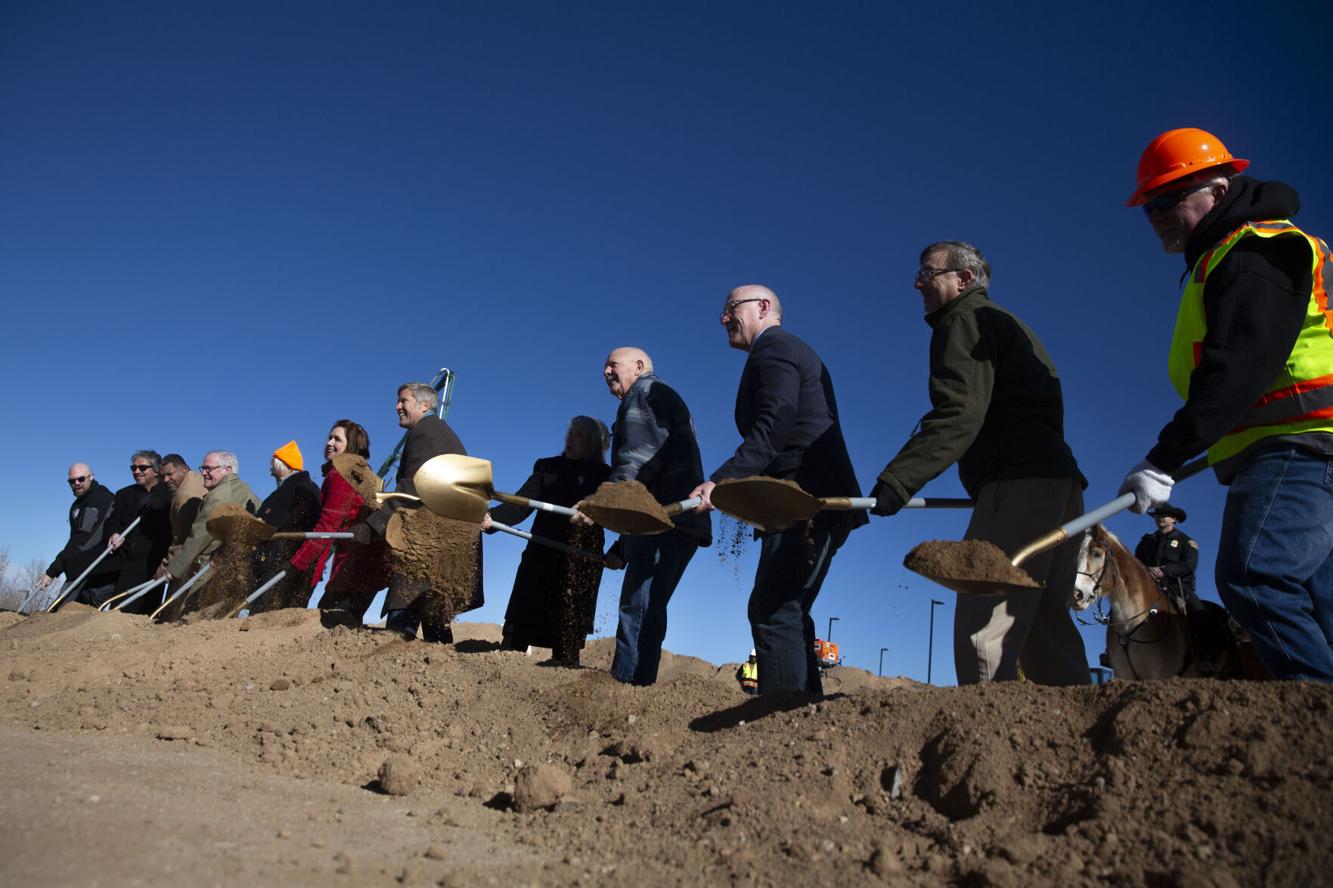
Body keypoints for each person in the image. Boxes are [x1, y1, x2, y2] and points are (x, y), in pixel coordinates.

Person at [1119, 127, 1333, 682]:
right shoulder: (1228, 255)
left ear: (1216, 190)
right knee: (1319, 595)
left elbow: (1238, 365)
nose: (1158, 217)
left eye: (1166, 200)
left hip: (1295, 443)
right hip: (1305, 445)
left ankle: (1313, 721)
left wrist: (1164, 458)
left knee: (1255, 576)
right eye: (1149, 209)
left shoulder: (1251, 251)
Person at [870, 243, 1089, 686]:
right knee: (1045, 624)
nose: (917, 283)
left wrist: (897, 481)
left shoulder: (964, 320)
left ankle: (984, 750)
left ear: (963, 280)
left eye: (926, 273)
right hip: (1058, 485)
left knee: (984, 624)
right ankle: (1080, 746)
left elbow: (959, 413)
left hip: (1018, 483)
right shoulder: (1008, 324)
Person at [691, 286, 864, 696]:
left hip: (803, 500)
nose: (723, 319)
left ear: (763, 308)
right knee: (789, 607)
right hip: (810, 500)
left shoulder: (774, 348)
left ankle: (780, 717)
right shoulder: (782, 351)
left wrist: (722, 482)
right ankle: (802, 719)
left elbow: (775, 424)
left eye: (731, 308)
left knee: (772, 608)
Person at [588, 347, 711, 685]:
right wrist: (624, 548)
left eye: (613, 364)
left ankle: (627, 689)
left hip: (665, 520)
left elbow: (635, 464)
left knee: (637, 608)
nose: (606, 372)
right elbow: (654, 474)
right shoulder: (660, 397)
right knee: (648, 604)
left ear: (638, 367)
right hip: (676, 519)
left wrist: (600, 505)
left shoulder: (642, 393)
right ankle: (638, 682)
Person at [353, 382, 482, 642]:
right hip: (446, 544)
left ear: (424, 405)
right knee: (435, 617)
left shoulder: (427, 433)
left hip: (426, 544)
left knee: (402, 622)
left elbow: (412, 486)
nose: (397, 406)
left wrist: (371, 525)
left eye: (403, 401)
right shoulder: (439, 432)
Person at [486, 416, 612, 665]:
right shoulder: (547, 467)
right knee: (521, 617)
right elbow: (521, 504)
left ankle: (565, 663)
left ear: (594, 444)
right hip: (541, 553)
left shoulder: (607, 477)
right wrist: (491, 518)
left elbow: (613, 515)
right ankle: (508, 658)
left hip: (581, 559)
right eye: (570, 433)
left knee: (569, 625)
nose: (570, 439)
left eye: (579, 435)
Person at [289, 420, 389, 620]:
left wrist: (297, 564)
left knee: (330, 616)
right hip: (368, 564)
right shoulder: (363, 472)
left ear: (351, 444)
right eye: (329, 437)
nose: (329, 443)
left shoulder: (342, 473)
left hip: (355, 565)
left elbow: (328, 525)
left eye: (337, 439)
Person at [164, 451, 260, 586]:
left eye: (209, 468)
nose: (203, 473)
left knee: (191, 605)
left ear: (228, 469)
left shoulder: (219, 496)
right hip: (236, 565)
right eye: (202, 468)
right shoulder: (244, 488)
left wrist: (175, 569)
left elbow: (199, 534)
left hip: (213, 567)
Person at [250, 440, 322, 611]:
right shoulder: (308, 487)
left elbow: (270, 523)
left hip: (282, 563)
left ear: (283, 467)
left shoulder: (292, 490)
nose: (271, 474)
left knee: (266, 612)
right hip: (295, 562)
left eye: (273, 470)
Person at [40, 463, 119, 607]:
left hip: (98, 573)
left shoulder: (102, 499)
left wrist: (54, 570)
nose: (76, 483)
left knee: (70, 617)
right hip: (78, 571)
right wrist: (53, 571)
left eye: (81, 479)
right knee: (58, 616)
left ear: (91, 477)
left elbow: (85, 541)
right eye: (72, 481)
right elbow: (74, 540)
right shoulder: (77, 506)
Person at [105, 450, 172, 613]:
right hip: (127, 560)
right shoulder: (124, 494)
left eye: (142, 468)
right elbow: (112, 521)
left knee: (146, 608)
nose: (137, 472)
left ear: (156, 470)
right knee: (120, 607)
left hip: (153, 561)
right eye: (133, 468)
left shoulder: (168, 492)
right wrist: (113, 533)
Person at [157, 454, 207, 585]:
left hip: (191, 561)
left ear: (184, 469)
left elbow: (181, 538)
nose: (166, 480)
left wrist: (163, 569)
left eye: (170, 474)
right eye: (163, 476)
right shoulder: (198, 479)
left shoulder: (185, 496)